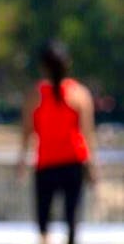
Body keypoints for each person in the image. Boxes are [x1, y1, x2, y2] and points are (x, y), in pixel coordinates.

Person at [17, 41, 99, 244]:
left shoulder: (34, 95)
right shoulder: (79, 93)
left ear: (43, 66)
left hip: (46, 162)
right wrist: (92, 166)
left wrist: (21, 159)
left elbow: (27, 131)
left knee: (43, 220)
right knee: (72, 218)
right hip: (73, 162)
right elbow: (87, 135)